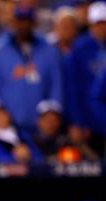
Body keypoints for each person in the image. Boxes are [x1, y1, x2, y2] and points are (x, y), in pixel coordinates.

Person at [0, 6, 63, 134]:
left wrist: (52, 113)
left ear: (34, 23)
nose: (23, 25)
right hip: (7, 126)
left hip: (41, 126)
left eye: (27, 21)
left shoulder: (48, 50)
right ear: (13, 22)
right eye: (20, 20)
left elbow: (56, 86)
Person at [67, 1, 106, 155]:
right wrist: (77, 122)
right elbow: (73, 88)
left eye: (104, 23)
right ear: (90, 24)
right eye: (98, 23)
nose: (102, 27)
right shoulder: (80, 48)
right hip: (88, 120)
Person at [0, 98, 43, 164]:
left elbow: (39, 159)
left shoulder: (23, 135)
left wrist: (29, 156)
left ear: (9, 115)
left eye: (2, 113)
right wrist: (15, 158)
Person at [33, 99, 98, 163]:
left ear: (60, 121)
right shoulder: (32, 141)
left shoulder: (66, 140)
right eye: (47, 120)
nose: (50, 124)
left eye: (54, 120)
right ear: (38, 121)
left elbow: (96, 161)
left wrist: (80, 144)